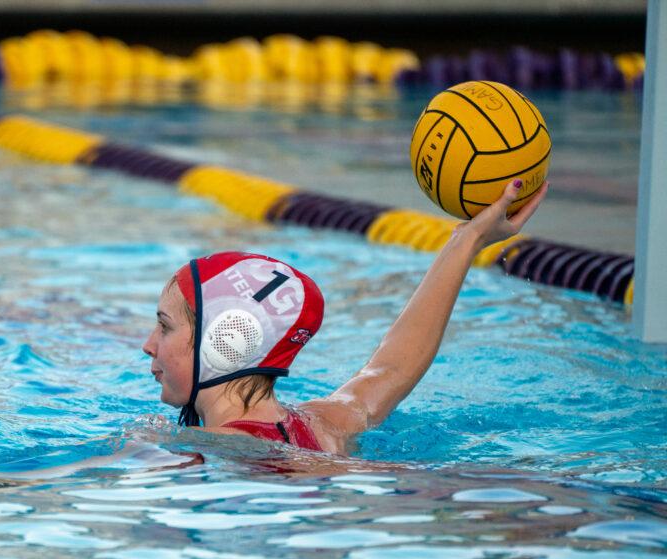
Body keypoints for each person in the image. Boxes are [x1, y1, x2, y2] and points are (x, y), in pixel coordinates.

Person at [143, 179, 549, 455]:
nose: (148, 344)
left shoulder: (200, 447)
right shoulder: (324, 424)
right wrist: (468, 239)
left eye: (165, 325)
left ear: (228, 340)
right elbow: (390, 368)